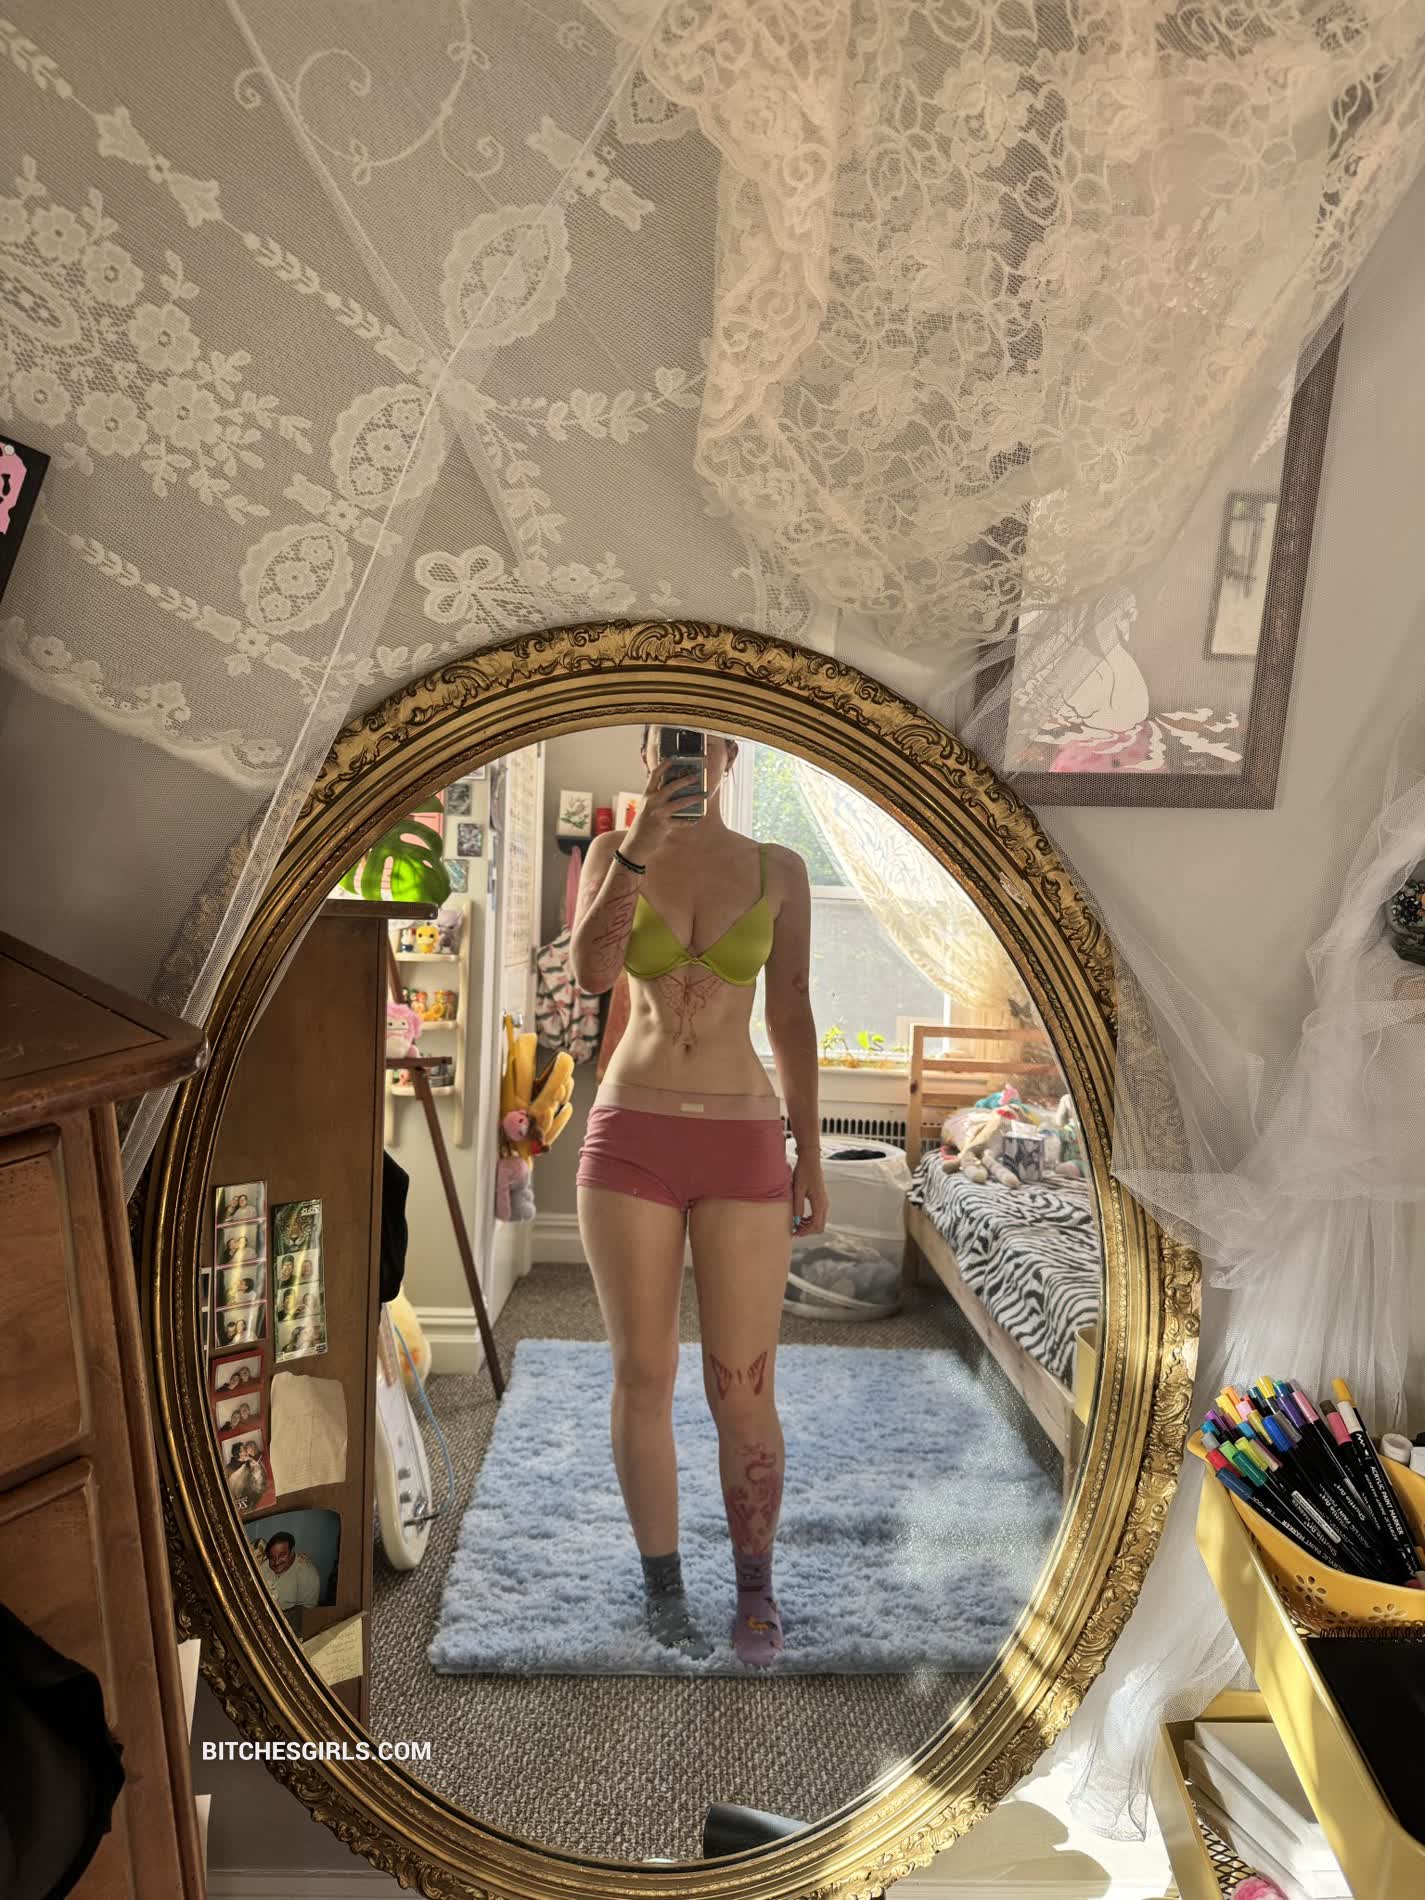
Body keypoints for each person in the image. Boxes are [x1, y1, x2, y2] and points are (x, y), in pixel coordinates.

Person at [570, 727, 828, 1668]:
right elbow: (591, 975)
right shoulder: (613, 850)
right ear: (646, 750)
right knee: (643, 1373)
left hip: (742, 1134)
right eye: (668, 738)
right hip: (631, 1132)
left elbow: (790, 1011)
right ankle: (663, 1587)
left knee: (742, 1386)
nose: (688, 754)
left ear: (730, 755)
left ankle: (756, 1590)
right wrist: (637, 848)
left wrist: (809, 1151)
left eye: (706, 738)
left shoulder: (778, 867)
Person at [258, 1531, 321, 1610]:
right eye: (272, 1557)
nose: (276, 1562)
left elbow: (306, 1611)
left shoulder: (308, 1573)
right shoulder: (263, 1566)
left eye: (282, 1555)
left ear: (292, 1552)